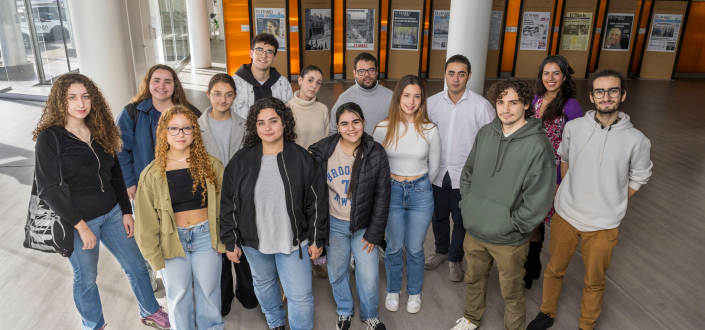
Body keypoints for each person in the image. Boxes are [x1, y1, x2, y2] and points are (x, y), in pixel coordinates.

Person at [33, 73, 169, 330]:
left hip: (113, 213)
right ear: (60, 102)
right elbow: (48, 189)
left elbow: (115, 173)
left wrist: (127, 212)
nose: (80, 103)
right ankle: (93, 325)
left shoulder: (99, 129)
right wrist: (81, 226)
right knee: (86, 278)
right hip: (77, 220)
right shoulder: (50, 137)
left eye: (85, 96)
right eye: (71, 97)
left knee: (137, 265)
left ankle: (150, 311)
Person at [527, 69, 653, 330]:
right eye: (600, 91)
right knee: (554, 270)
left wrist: (614, 199)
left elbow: (639, 177)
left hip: (604, 224)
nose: (606, 96)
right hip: (567, 215)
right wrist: (565, 192)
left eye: (613, 90)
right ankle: (546, 313)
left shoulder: (637, 140)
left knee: (594, 280)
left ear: (623, 94)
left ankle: (587, 324)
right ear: (592, 96)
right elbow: (565, 160)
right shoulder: (574, 128)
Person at [450, 78, 556, 330]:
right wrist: (469, 207)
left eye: (513, 102)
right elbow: (468, 174)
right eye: (500, 102)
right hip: (475, 229)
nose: (505, 109)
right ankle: (471, 318)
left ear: (527, 105)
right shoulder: (486, 133)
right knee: (473, 280)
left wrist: (515, 225)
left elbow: (539, 197)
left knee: (512, 290)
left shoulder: (538, 145)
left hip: (509, 238)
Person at [220, 97, 328, 330]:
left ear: (285, 123)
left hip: (294, 242)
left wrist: (317, 238)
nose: (267, 127)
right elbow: (228, 203)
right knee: (264, 284)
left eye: (273, 121)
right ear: (254, 127)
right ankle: (275, 322)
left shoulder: (302, 158)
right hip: (253, 242)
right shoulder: (241, 161)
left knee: (300, 295)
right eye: (261, 123)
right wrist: (231, 240)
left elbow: (317, 202)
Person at [134, 105, 225, 330]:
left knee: (209, 292)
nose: (181, 134)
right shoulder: (152, 173)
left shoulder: (212, 166)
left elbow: (226, 207)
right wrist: (154, 258)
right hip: (171, 241)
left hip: (206, 237)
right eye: (174, 129)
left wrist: (225, 241)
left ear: (195, 132)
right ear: (164, 133)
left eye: (186, 128)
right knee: (178, 296)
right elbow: (145, 223)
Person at [116, 64, 202, 290]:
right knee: (147, 230)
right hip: (146, 186)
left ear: (175, 85)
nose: (161, 86)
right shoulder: (133, 112)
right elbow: (120, 150)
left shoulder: (189, 111)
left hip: (182, 183)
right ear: (148, 83)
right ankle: (148, 271)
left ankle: (179, 272)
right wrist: (129, 182)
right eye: (156, 80)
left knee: (176, 229)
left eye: (167, 81)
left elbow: (202, 145)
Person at [309, 102, 391, 330]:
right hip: (334, 225)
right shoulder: (323, 151)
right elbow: (312, 191)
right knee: (336, 272)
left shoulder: (376, 152)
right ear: (337, 126)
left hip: (364, 227)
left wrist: (375, 234)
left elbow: (383, 197)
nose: (351, 128)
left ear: (364, 123)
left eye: (356, 122)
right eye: (344, 123)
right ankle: (344, 311)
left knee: (370, 275)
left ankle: (370, 315)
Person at [373, 75, 441, 314]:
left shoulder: (430, 129)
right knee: (392, 247)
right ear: (398, 97)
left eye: (417, 96)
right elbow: (376, 166)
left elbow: (434, 168)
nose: (411, 101)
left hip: (420, 192)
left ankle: (414, 291)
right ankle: (394, 289)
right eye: (406, 95)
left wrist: (417, 185)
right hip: (391, 192)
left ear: (422, 100)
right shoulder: (382, 128)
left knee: (414, 248)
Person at [424, 55, 495, 282]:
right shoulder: (431, 103)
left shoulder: (481, 106)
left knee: (462, 220)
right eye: (451, 73)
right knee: (439, 216)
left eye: (461, 74)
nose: (456, 79)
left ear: (469, 76)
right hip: (437, 172)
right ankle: (441, 252)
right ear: (445, 74)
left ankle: (455, 259)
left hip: (465, 176)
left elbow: (490, 143)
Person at [197, 73, 259, 315]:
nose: (223, 100)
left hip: (241, 197)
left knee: (242, 246)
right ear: (208, 94)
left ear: (235, 96)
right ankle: (223, 297)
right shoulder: (195, 127)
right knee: (218, 251)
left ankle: (247, 292)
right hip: (210, 198)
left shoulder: (246, 125)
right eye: (217, 94)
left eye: (229, 94)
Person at [524, 55, 583, 289]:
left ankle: (533, 267)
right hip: (531, 168)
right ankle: (532, 264)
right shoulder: (535, 100)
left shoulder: (571, 105)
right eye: (546, 73)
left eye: (556, 73)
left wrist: (562, 180)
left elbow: (576, 146)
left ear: (565, 76)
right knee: (532, 220)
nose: (550, 78)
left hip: (555, 172)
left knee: (545, 219)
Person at [330, 52, 393, 136]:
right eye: (361, 71)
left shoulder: (391, 96)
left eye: (371, 70)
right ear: (354, 73)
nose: (367, 74)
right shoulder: (344, 99)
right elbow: (333, 132)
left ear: (377, 71)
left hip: (384, 148)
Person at [232, 33, 293, 118]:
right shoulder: (234, 83)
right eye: (259, 50)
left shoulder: (283, 84)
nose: (264, 56)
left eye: (269, 52)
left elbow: (288, 115)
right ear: (251, 53)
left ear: (274, 59)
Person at [287, 65, 330, 150]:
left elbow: (326, 140)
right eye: (310, 80)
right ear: (300, 80)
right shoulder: (288, 109)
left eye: (318, 83)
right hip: (297, 161)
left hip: (319, 161)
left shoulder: (322, 109)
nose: (314, 86)